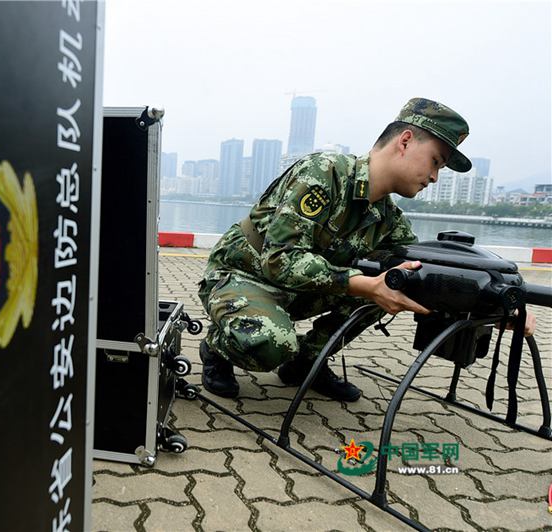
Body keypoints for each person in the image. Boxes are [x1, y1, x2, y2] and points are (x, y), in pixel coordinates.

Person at [197, 97, 534, 402]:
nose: (434, 177)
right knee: (271, 344)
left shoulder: (388, 219)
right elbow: (280, 260)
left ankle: (307, 362)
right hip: (243, 276)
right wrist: (362, 283)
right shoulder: (324, 173)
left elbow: (424, 274)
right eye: (435, 161)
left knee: (393, 283)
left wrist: (498, 306)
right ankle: (217, 348)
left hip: (298, 288)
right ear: (405, 141)